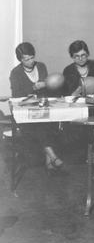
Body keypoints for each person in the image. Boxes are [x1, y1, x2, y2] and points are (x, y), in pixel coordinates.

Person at [9, 42, 63, 173]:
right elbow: (17, 96)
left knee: (50, 123)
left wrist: (45, 84)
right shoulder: (16, 73)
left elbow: (49, 86)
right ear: (20, 60)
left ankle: (48, 159)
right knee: (38, 125)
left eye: (31, 57)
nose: (30, 61)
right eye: (25, 59)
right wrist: (33, 89)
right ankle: (52, 156)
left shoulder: (41, 66)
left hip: (43, 107)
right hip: (26, 112)